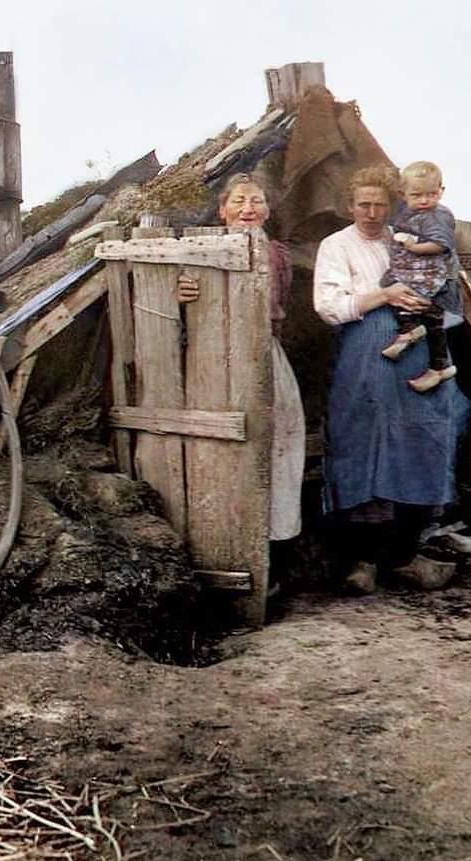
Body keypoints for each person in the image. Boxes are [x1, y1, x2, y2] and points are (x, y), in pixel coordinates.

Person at [314, 165, 469, 594]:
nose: (372, 213)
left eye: (380, 205)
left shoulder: (409, 239)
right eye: (363, 204)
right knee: (364, 445)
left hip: (418, 351)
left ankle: (404, 557)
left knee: (424, 440)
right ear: (349, 206)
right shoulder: (336, 245)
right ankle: (361, 563)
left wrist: (428, 305)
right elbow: (327, 306)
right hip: (366, 353)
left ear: (393, 205)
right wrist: (384, 294)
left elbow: (448, 292)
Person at [178, 173, 306, 594]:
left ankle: (275, 561)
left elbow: (275, 309)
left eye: (256, 201)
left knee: (280, 445)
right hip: (214, 360)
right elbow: (178, 309)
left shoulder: (277, 255)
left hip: (264, 353)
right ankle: (218, 557)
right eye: (239, 201)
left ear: (267, 210)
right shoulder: (200, 249)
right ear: (222, 210)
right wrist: (183, 293)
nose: (248, 208)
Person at [379, 160, 460, 393]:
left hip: (432, 270)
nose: (424, 200)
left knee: (417, 302)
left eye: (431, 194)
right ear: (403, 194)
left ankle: (431, 356)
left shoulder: (438, 216)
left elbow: (439, 245)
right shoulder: (409, 212)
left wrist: (413, 247)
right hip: (413, 266)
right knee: (390, 285)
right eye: (417, 195)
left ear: (441, 191)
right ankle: (416, 336)